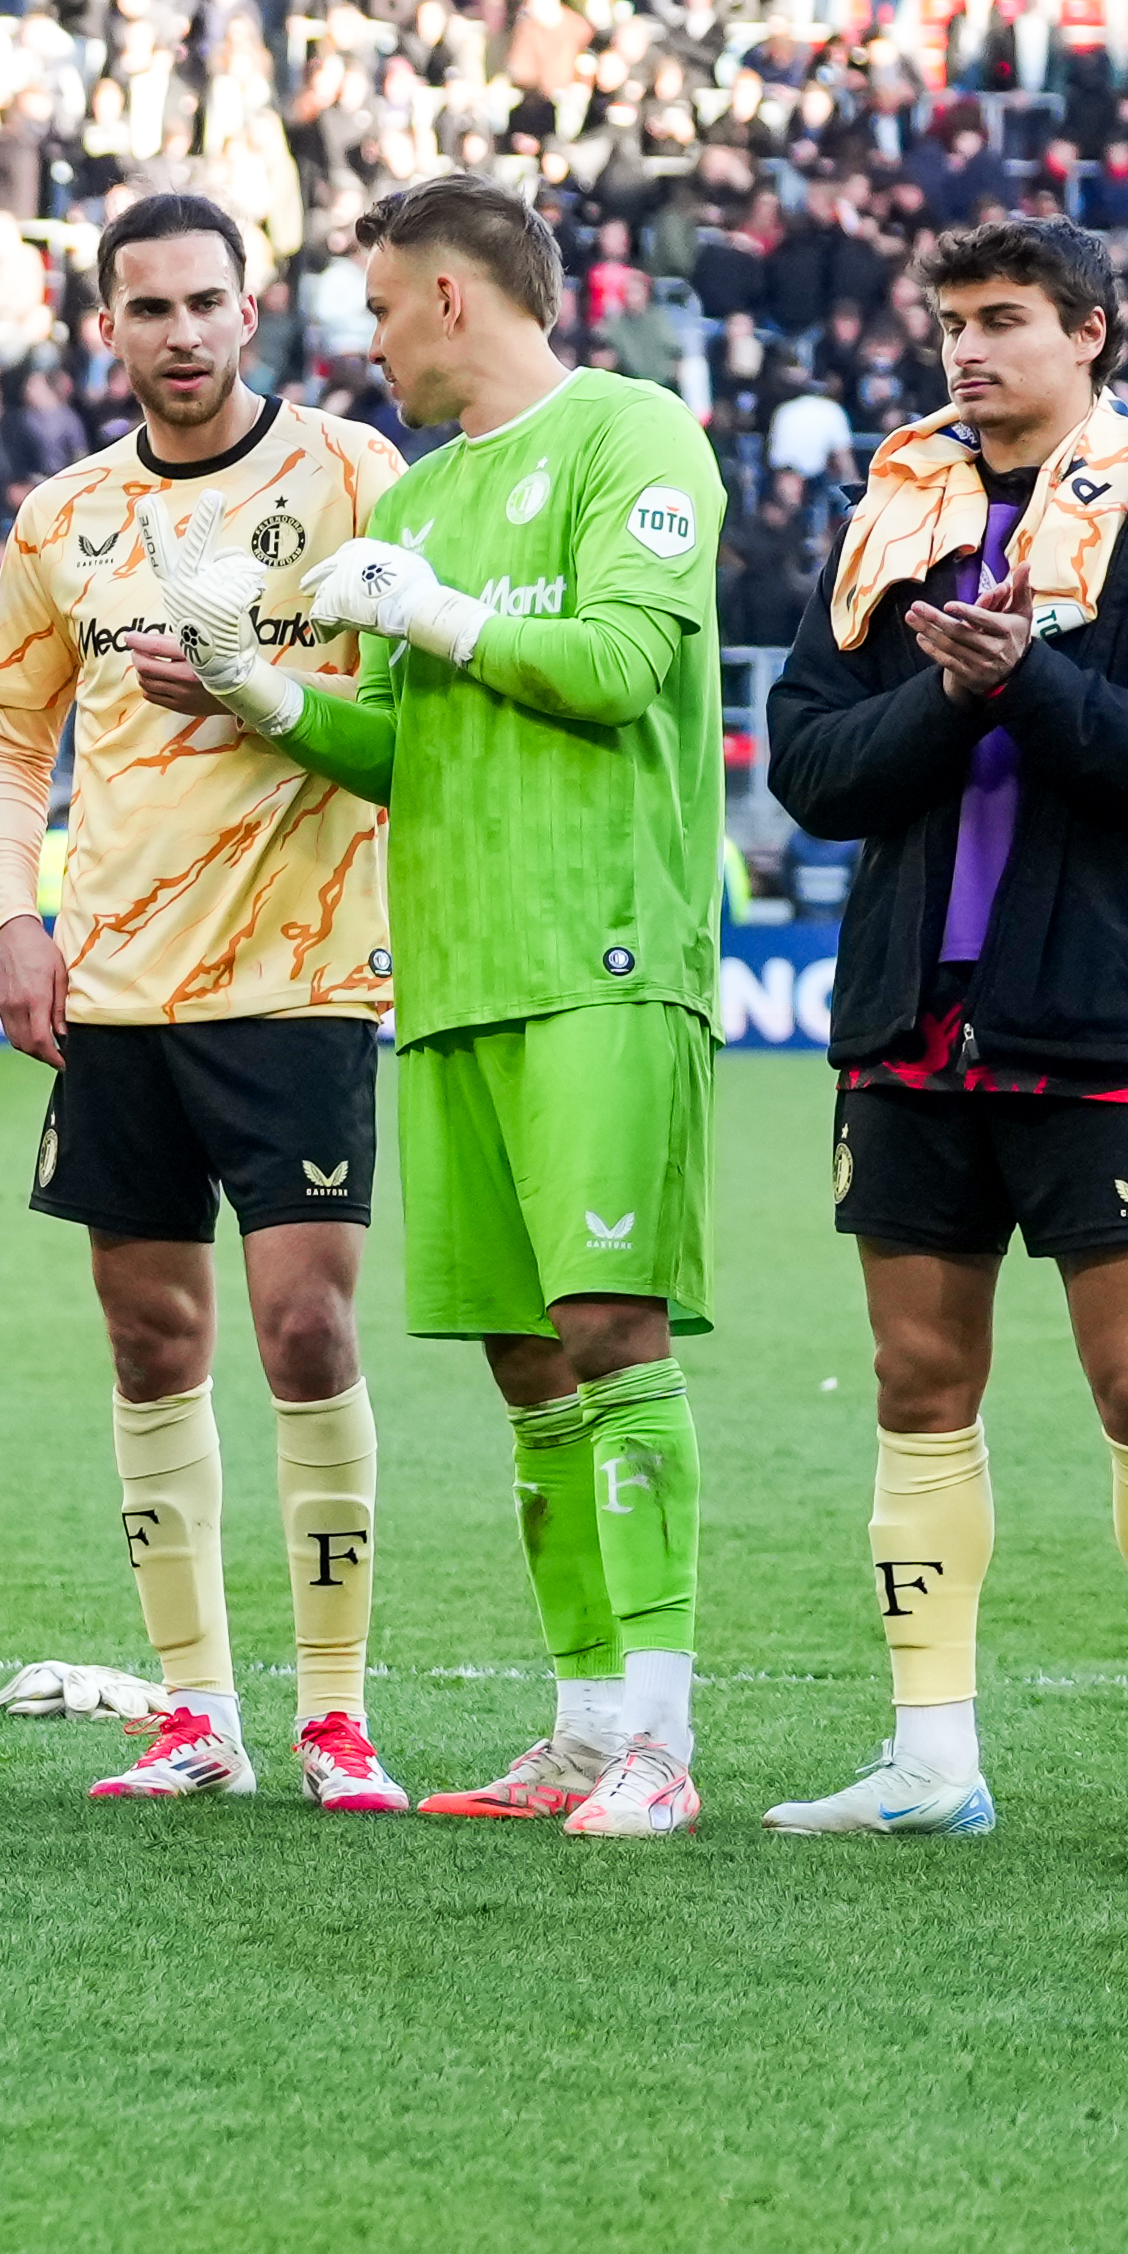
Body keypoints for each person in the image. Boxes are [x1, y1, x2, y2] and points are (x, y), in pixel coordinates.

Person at [753, 215, 1128, 1843]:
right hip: (912, 1017)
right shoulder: (892, 512)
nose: (968, 350)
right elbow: (812, 771)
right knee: (917, 1376)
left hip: (1103, 1013)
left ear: (1090, 333)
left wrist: (1028, 679)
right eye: (953, 322)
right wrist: (950, 695)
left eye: (1004, 320)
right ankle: (931, 1757)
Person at [263, 175, 731, 1832]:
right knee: (527, 1360)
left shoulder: (634, 434)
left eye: (384, 307)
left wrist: (434, 612)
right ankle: (586, 1728)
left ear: (453, 297)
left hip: (601, 953)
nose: (373, 343)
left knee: (609, 1330)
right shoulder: (424, 496)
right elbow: (399, 740)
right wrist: (260, 693)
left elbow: (617, 667)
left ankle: (662, 1740)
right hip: (456, 976)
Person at [0, 188, 406, 1812]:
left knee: (306, 1326)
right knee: (152, 1339)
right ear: (109, 328)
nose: (179, 332)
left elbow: (415, 712)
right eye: (146, 308)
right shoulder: (63, 518)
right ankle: (196, 1712)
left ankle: (335, 1715)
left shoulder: (354, 476)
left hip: (301, 974)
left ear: (250, 310)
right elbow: (12, 747)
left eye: (204, 302)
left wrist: (254, 692)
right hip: (116, 985)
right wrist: (14, 921)